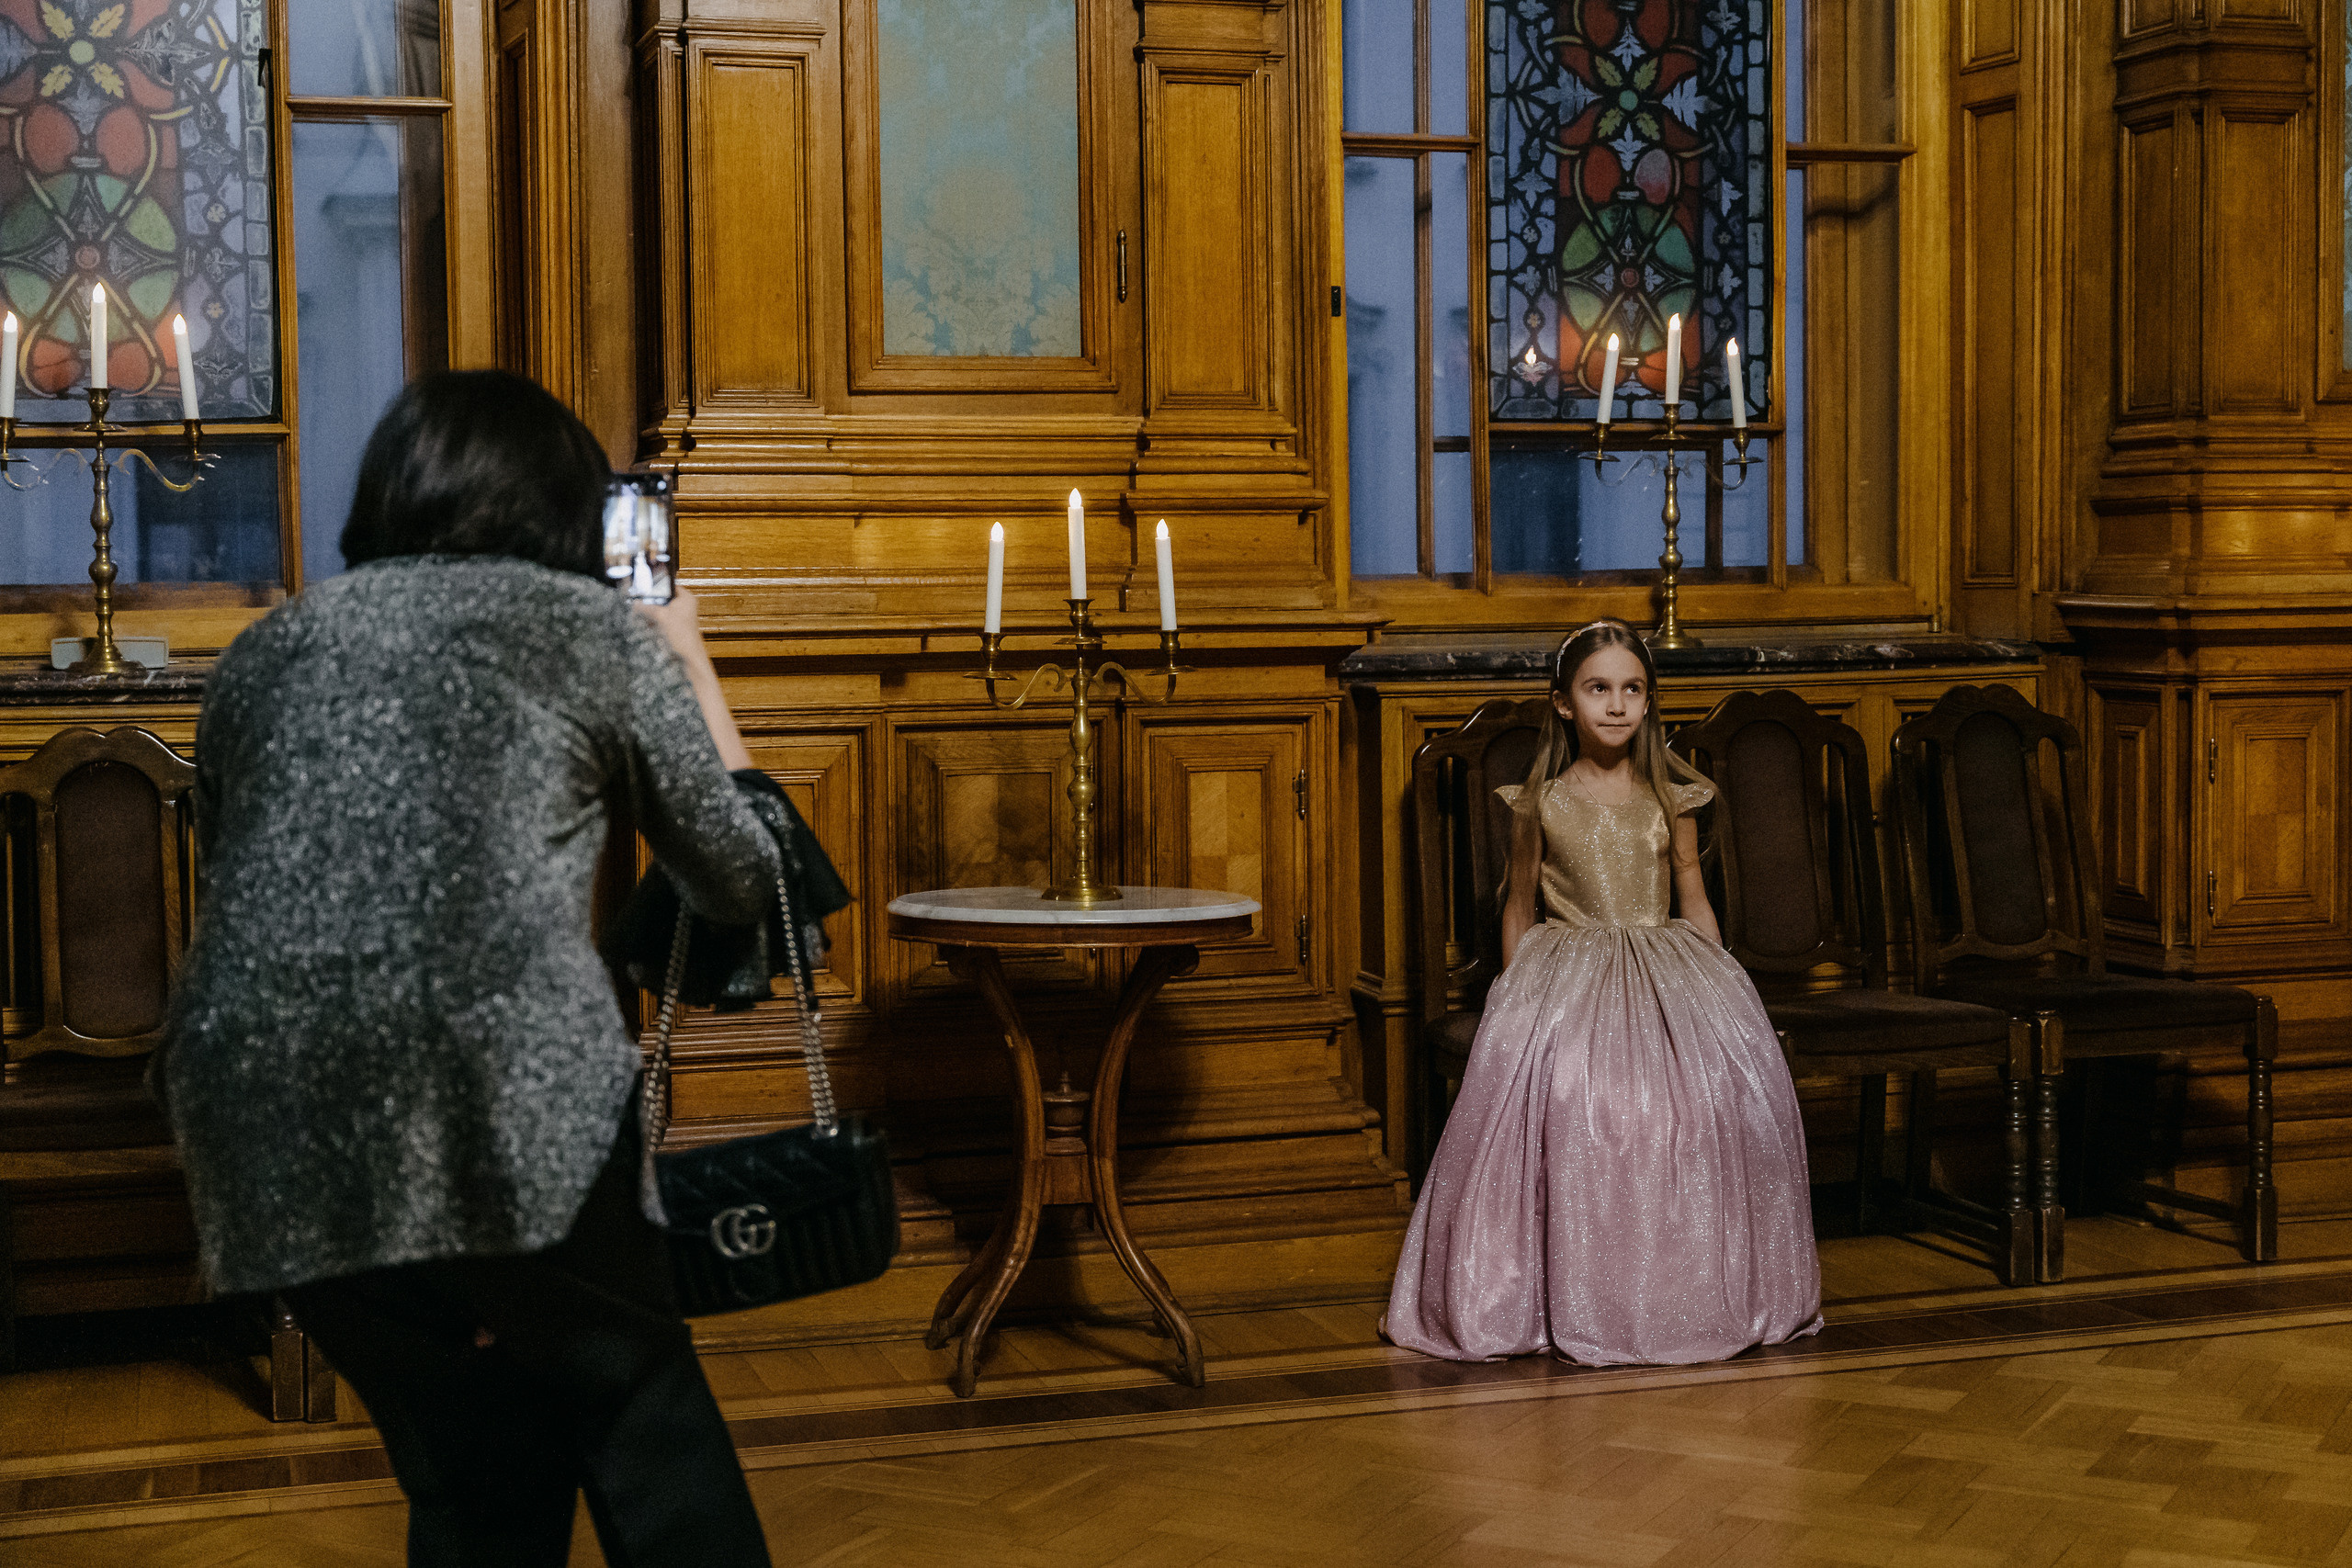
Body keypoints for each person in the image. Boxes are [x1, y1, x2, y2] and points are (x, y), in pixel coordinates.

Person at [157, 369, 778, 1567]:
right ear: (569, 508)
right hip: (505, 1093)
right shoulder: (595, 635)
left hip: (256, 1118)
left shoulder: (262, 651)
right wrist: (685, 655)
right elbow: (742, 881)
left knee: (476, 1463)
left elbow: (248, 889)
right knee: (645, 1420)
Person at [1385, 618, 1822, 1366]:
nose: (1617, 705)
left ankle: (1683, 1288)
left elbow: (1691, 891)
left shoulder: (1670, 796)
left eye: (1632, 689)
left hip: (1664, 965)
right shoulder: (1541, 801)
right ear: (1562, 703)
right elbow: (1519, 904)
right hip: (1568, 977)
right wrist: (1514, 999)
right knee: (1578, 1096)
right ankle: (1566, 1288)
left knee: (1696, 1104)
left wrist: (1720, 988)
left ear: (1648, 701)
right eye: (1598, 689)